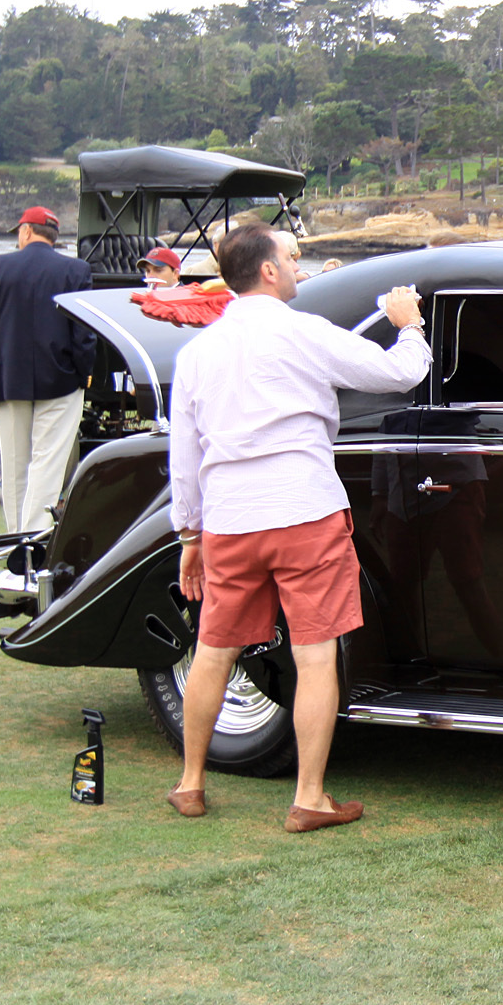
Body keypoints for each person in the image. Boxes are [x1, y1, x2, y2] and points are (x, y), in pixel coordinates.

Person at [167, 223, 431, 832]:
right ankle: (309, 797)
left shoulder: (198, 352)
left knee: (213, 651)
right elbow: (400, 374)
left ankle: (190, 783)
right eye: (290, 256)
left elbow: (185, 458)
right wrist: (408, 320)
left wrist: (190, 536)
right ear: (266, 270)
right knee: (315, 658)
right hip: (304, 510)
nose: (296, 265)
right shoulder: (305, 332)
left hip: (231, 520)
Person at [0, 206, 97, 533]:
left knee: (13, 466)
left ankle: (17, 539)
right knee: (47, 463)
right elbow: (84, 333)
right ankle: (33, 541)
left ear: (26, 231)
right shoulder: (76, 270)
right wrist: (85, 376)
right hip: (61, 378)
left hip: (8, 379)